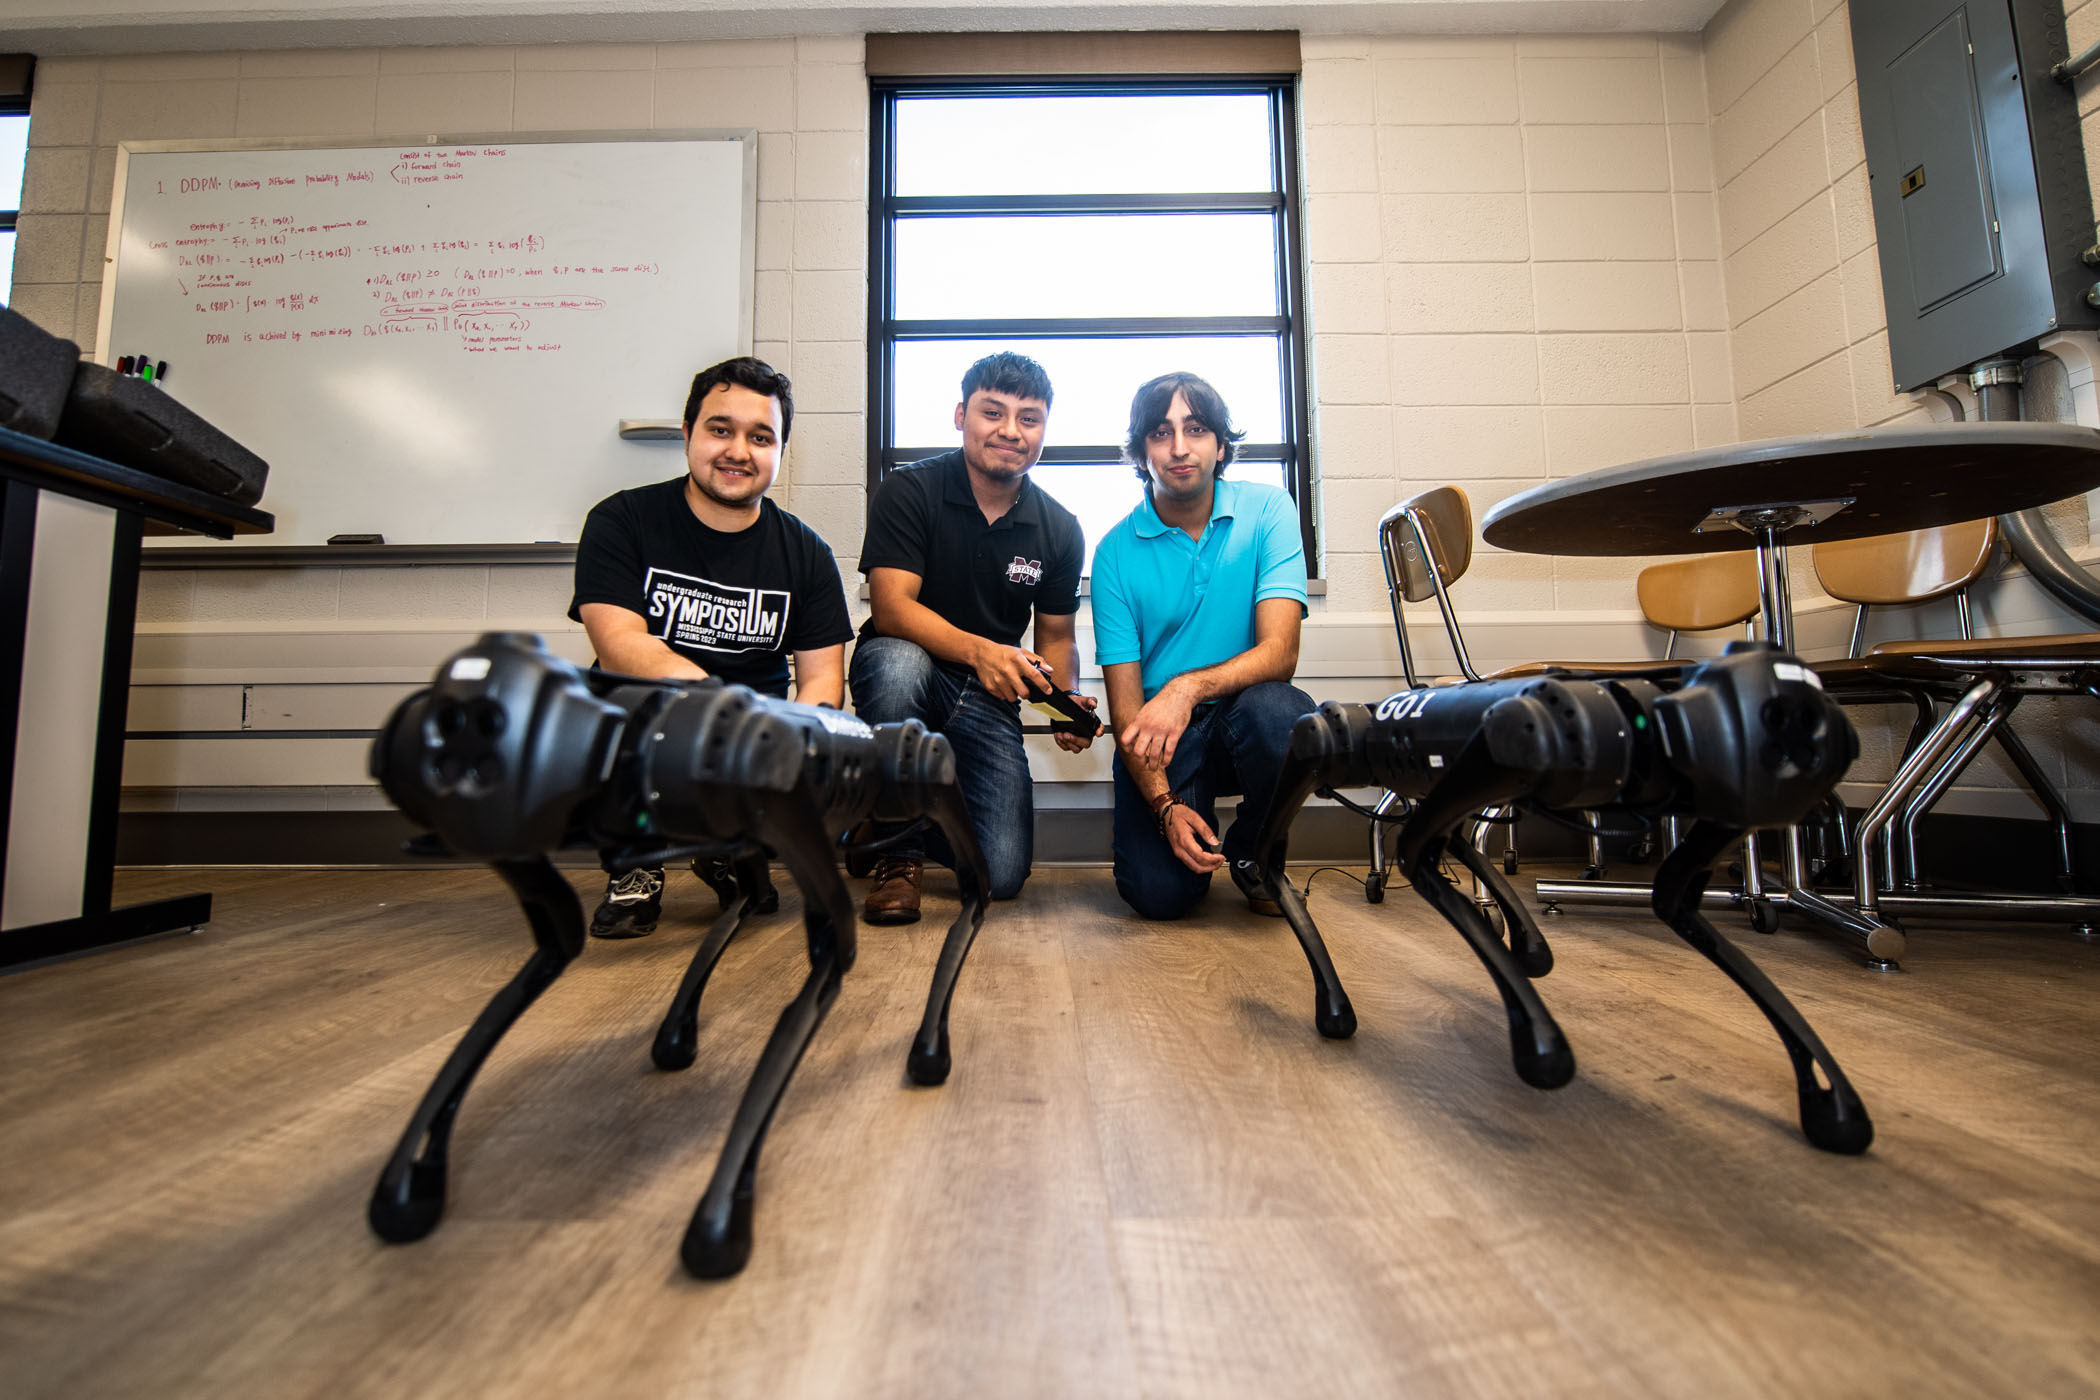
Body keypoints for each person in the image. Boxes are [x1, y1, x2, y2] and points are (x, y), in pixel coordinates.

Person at [568, 355, 853, 937]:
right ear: (688, 435)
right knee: (609, 712)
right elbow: (619, 642)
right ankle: (636, 866)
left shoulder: (808, 554)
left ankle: (726, 845)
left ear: (780, 452)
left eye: (760, 437)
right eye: (720, 429)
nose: (738, 451)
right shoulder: (622, 521)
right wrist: (718, 709)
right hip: (654, 717)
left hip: (755, 742)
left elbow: (822, 680)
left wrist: (806, 752)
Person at [850, 351, 1097, 923]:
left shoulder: (1059, 528)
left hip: (986, 698)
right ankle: (897, 855)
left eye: (1029, 418)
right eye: (994, 412)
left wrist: (1064, 698)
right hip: (905, 668)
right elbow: (890, 609)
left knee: (1002, 875)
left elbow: (1056, 635)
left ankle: (888, 805)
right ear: (961, 415)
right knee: (897, 665)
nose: (1011, 431)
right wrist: (983, 651)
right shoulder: (908, 491)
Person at [1090, 371, 1315, 920]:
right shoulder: (1113, 553)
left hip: (1244, 718)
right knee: (1160, 898)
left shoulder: (1269, 511)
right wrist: (1165, 806)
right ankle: (1186, 823)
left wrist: (1185, 688)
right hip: (1161, 743)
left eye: (1195, 429)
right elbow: (1125, 712)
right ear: (1142, 451)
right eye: (1161, 433)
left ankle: (1253, 853)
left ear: (1220, 445)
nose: (1180, 447)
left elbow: (1280, 653)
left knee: (1283, 714)